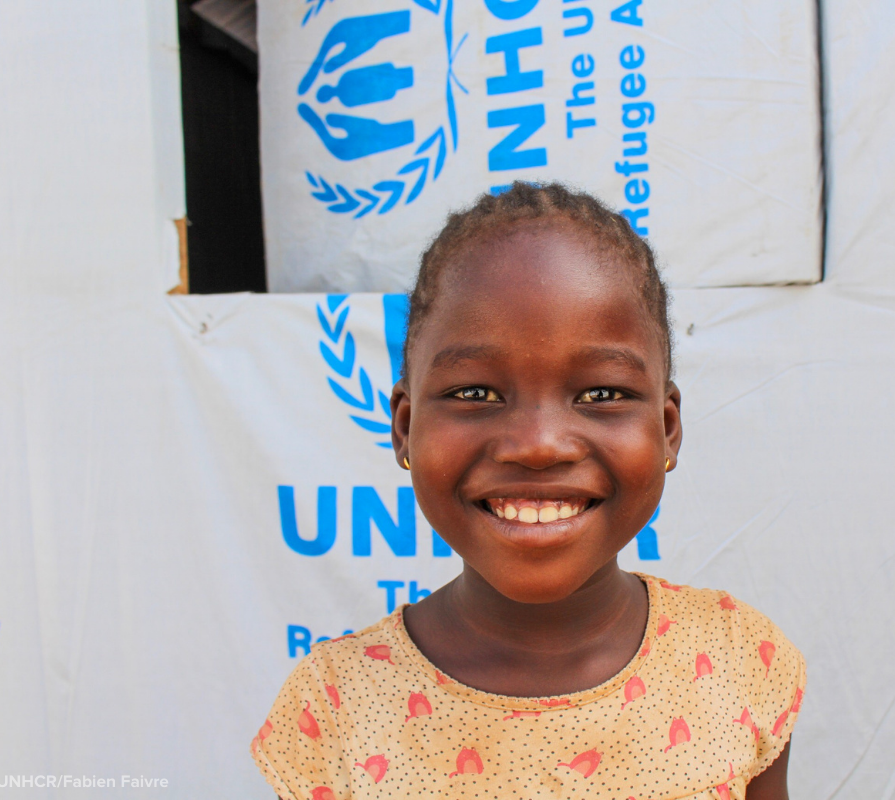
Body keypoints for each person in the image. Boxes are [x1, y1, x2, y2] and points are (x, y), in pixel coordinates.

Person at [250, 183, 805, 799]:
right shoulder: (335, 708)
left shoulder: (737, 660)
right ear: (405, 427)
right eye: (476, 394)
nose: (539, 445)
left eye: (601, 394)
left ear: (667, 429)